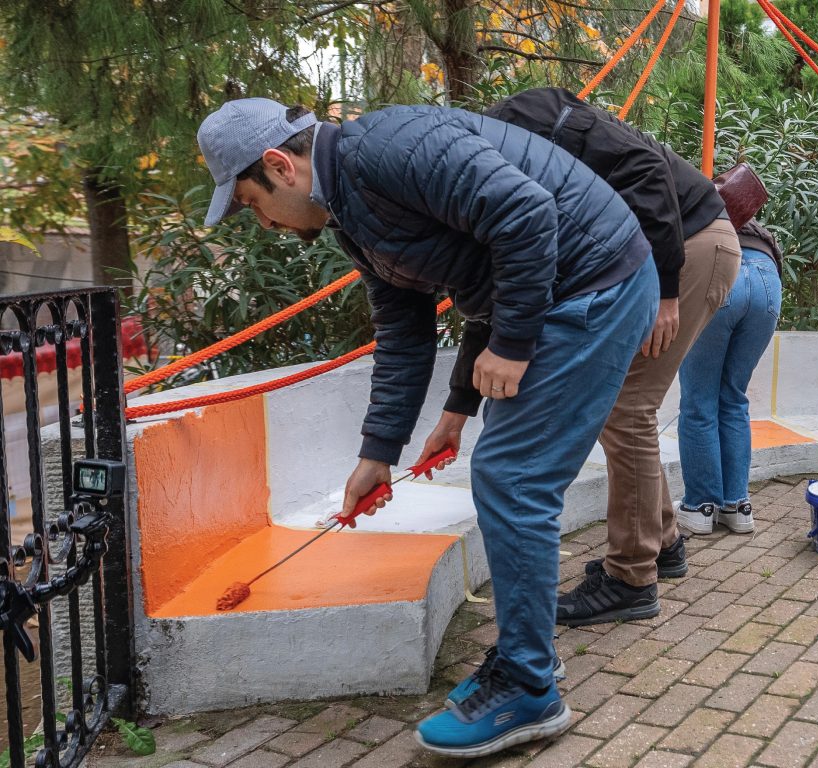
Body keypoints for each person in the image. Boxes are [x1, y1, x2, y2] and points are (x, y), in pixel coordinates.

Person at [196, 97, 658, 757]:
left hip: (594, 283)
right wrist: (382, 451)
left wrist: (516, 343)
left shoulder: (387, 149)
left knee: (512, 476)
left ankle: (530, 686)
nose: (262, 223)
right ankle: (532, 660)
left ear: (279, 165)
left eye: (249, 203)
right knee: (507, 471)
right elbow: (405, 329)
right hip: (561, 288)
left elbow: (526, 216)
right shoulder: (350, 211)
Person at [482, 87, 740, 627]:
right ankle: (662, 542)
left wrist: (667, 291)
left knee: (626, 407)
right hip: (689, 246)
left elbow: (649, 170)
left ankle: (631, 577)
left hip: (691, 247)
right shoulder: (528, 134)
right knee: (625, 406)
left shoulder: (545, 130)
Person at [677, 220, 783, 533]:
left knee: (699, 401)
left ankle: (701, 506)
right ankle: (737, 505)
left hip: (720, 272)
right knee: (734, 397)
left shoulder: (689, 206)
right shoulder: (737, 215)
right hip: (767, 278)